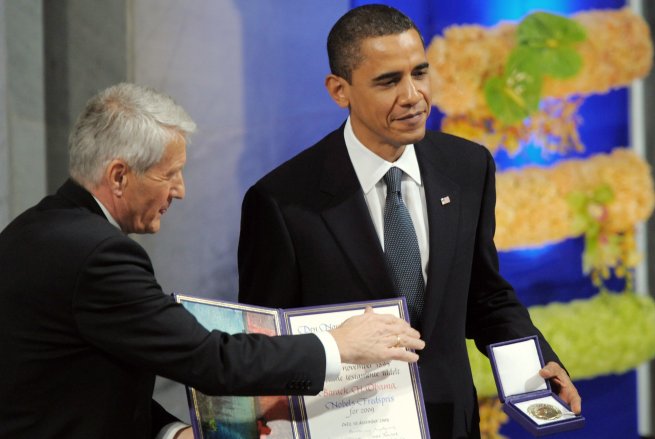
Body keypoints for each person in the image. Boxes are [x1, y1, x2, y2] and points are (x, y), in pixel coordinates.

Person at [0, 83, 424, 439]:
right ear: (118, 176)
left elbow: (85, 383)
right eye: (169, 174)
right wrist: (338, 345)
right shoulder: (99, 257)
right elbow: (210, 360)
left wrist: (172, 433)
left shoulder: (31, 229)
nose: (180, 191)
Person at [237, 4, 581, 438]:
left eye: (420, 73)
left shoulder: (468, 166)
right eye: (388, 81)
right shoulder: (282, 202)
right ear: (339, 90)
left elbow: (486, 295)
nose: (413, 95)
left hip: (453, 423)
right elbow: (266, 344)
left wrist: (536, 371)